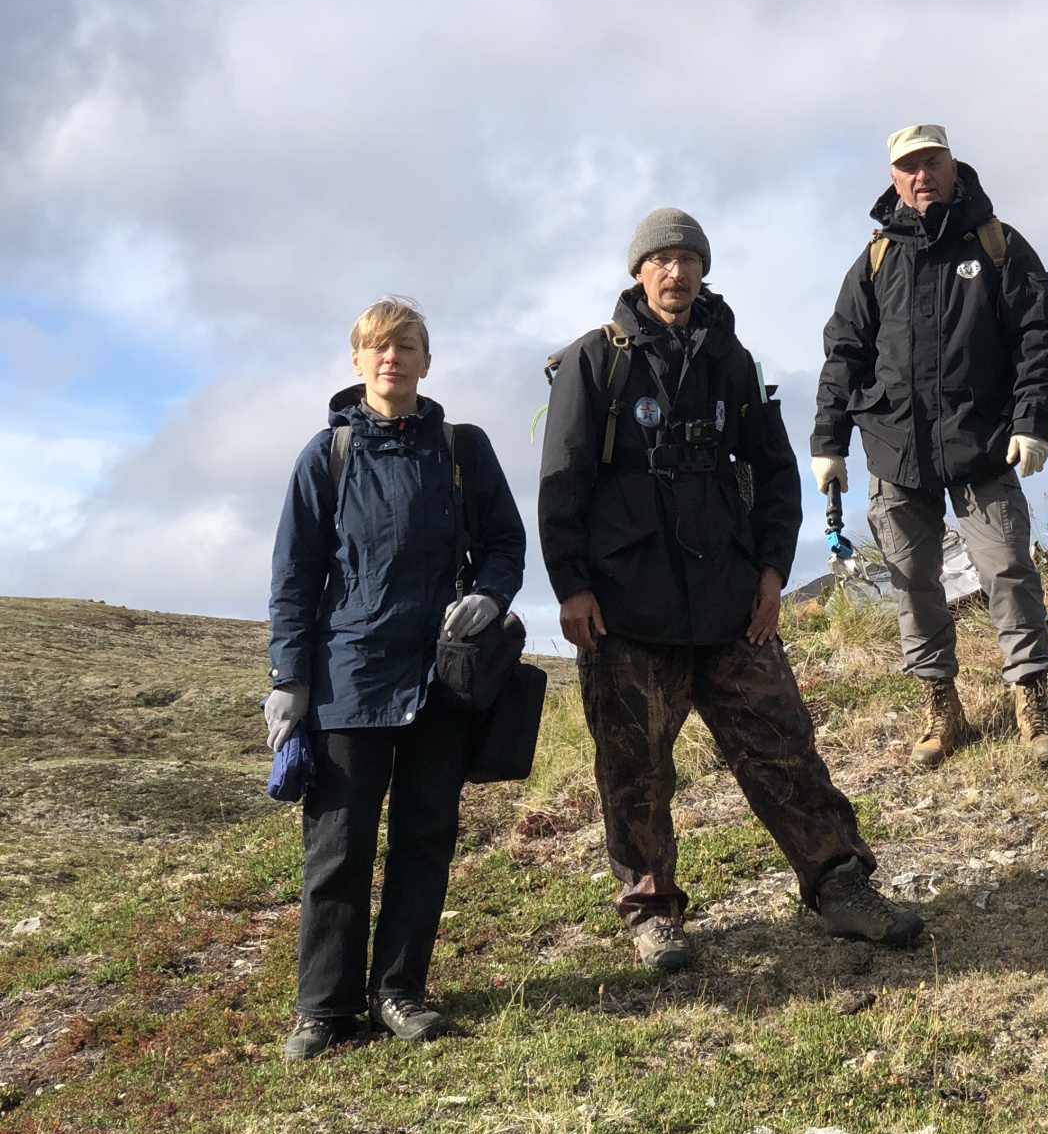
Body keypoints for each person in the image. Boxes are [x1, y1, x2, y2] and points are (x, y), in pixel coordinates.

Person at [540, 207, 923, 973]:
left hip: (730, 606)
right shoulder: (594, 362)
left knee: (784, 751)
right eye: (661, 261)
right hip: (627, 610)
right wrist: (573, 588)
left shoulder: (734, 361)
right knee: (634, 770)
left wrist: (774, 575)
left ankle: (841, 888)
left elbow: (779, 478)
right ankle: (652, 914)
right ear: (638, 273)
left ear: (703, 270)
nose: (675, 272)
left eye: (688, 259)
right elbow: (561, 484)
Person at [267, 297, 527, 1061]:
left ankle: (399, 992)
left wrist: (489, 593)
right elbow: (294, 574)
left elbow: (507, 541)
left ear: (425, 360)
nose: (392, 359)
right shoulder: (328, 455)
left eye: (406, 346)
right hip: (348, 677)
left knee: (424, 837)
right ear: (357, 363)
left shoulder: (461, 449)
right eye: (378, 348)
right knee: (338, 849)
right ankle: (323, 1009)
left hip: (442, 679)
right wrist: (291, 676)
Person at [811, 124, 1048, 769]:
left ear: (954, 166)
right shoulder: (874, 259)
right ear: (894, 178)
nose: (920, 176)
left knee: (1008, 569)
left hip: (984, 447)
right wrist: (829, 440)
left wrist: (1032, 421)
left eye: (931, 162)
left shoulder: (999, 245)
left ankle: (1032, 699)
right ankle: (940, 707)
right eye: (908, 167)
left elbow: (1041, 335)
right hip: (894, 449)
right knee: (912, 582)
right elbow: (843, 352)